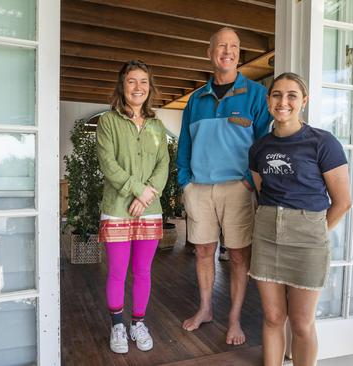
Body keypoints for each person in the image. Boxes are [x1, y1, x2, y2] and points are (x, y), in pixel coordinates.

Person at [176, 27, 272, 345]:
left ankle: (234, 319)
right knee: (203, 252)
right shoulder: (196, 99)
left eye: (233, 46)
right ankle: (205, 309)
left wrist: (249, 180)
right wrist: (185, 181)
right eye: (220, 46)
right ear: (210, 52)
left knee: (238, 256)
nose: (227, 51)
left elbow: (264, 143)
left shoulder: (256, 94)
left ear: (239, 53)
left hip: (237, 187)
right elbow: (185, 145)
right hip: (200, 187)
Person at [248, 72, 351, 365]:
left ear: (303, 101)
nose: (283, 101)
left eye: (292, 95)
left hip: (308, 239)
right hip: (267, 234)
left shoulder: (323, 142)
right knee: (272, 317)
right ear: (268, 101)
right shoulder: (260, 148)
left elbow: (343, 202)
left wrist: (313, 232)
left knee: (302, 324)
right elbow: (262, 191)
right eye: (277, 95)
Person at [96, 60, 169, 354]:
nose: (138, 87)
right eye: (132, 81)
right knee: (117, 271)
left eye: (143, 82)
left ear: (149, 87)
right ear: (122, 85)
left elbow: (163, 163)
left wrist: (146, 197)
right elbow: (108, 164)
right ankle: (117, 324)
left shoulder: (157, 125)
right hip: (116, 208)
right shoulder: (107, 121)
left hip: (150, 209)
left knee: (142, 271)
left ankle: (138, 322)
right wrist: (138, 190)